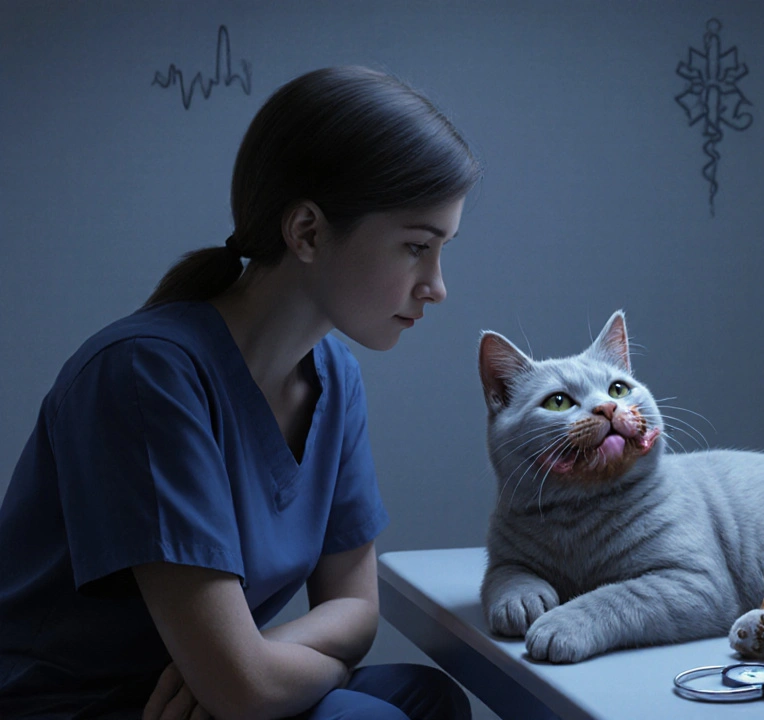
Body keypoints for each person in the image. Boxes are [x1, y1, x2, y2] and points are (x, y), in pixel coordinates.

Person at [0, 66, 481, 719]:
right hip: (94, 707)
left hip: (209, 684)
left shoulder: (334, 379)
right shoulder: (145, 375)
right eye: (417, 248)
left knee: (430, 698)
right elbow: (244, 689)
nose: (437, 285)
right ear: (307, 232)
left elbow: (357, 612)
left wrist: (259, 656)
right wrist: (249, 674)